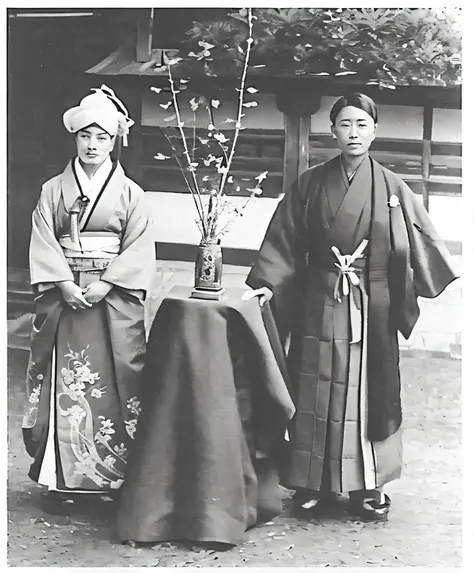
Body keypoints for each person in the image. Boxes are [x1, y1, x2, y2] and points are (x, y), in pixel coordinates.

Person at [244, 92, 459, 521]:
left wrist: (412, 279)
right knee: (316, 387)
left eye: (362, 124)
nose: (354, 132)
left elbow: (418, 241)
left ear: (374, 130)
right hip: (318, 295)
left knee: (368, 392)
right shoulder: (310, 183)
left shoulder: (392, 187)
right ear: (334, 130)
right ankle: (313, 482)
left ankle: (367, 485)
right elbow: (284, 238)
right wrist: (267, 283)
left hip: (371, 301)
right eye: (345, 124)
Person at [22, 85, 156, 504]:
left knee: (117, 378)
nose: (93, 144)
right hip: (66, 293)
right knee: (68, 379)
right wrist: (63, 283)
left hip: (110, 295)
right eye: (85, 136)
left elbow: (139, 246)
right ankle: (61, 478)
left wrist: (106, 284)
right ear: (75, 139)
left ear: (115, 142)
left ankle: (111, 477)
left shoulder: (132, 193)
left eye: (102, 137)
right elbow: (44, 239)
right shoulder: (51, 189)